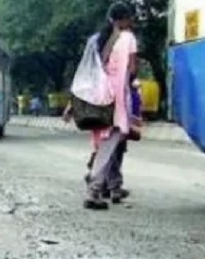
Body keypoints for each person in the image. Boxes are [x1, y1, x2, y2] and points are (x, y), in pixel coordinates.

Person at [83, 2, 138, 210]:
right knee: (110, 144)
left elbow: (87, 70)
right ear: (123, 19)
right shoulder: (128, 38)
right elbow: (132, 70)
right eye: (129, 18)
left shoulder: (96, 40)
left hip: (97, 96)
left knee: (105, 142)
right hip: (117, 99)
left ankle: (113, 185)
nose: (131, 22)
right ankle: (94, 188)